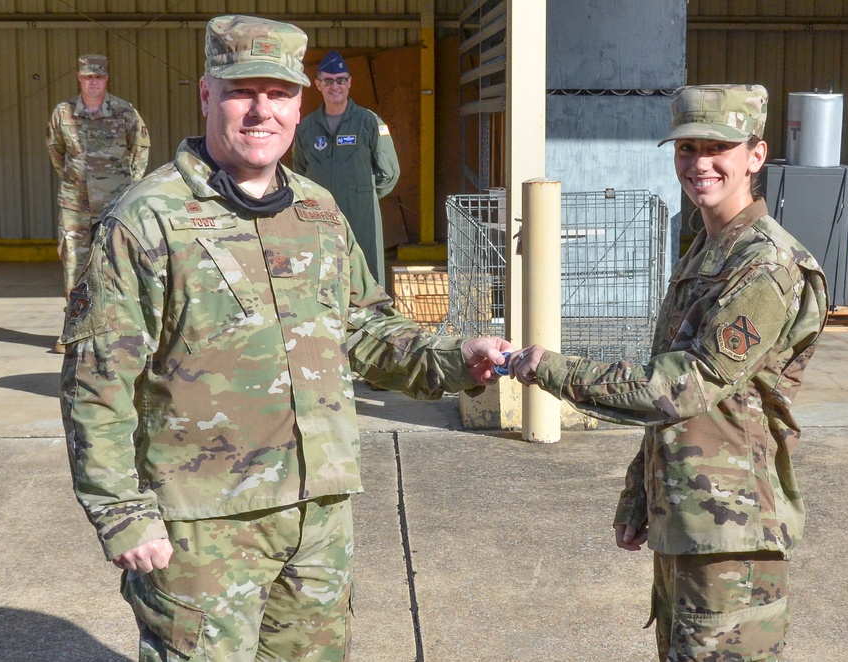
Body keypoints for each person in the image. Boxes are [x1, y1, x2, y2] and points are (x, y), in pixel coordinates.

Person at [59, 15, 512, 661]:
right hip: (200, 524)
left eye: (279, 94)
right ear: (208, 95)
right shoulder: (145, 220)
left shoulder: (318, 211)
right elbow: (97, 382)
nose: (260, 111)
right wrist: (121, 511)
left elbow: (363, 330)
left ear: (300, 105)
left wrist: (452, 357)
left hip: (319, 514)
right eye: (243, 91)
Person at [507, 84, 829, 661]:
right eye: (685, 149)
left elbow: (683, 385)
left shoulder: (765, 264)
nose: (699, 163)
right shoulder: (707, 251)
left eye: (717, 149)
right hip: (688, 518)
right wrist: (641, 497)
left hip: (732, 535)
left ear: (755, 155)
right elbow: (676, 414)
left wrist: (552, 369)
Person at [292, 49, 400, 288]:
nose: (335, 86)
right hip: (318, 215)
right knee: (321, 273)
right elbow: (299, 174)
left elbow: (388, 173)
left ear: (349, 82)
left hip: (360, 214)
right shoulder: (306, 128)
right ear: (318, 84)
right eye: (328, 81)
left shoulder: (370, 122)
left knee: (366, 275)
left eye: (341, 80)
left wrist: (364, 195)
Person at [46, 54, 149, 302]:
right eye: (88, 77)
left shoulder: (125, 111)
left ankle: (113, 331)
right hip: (75, 205)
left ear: (107, 79)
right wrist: (75, 179)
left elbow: (140, 149)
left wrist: (125, 186)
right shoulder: (63, 113)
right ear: (79, 78)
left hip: (114, 205)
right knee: (74, 264)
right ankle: (73, 332)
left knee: (115, 261)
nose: (94, 82)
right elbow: (55, 150)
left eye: (99, 77)